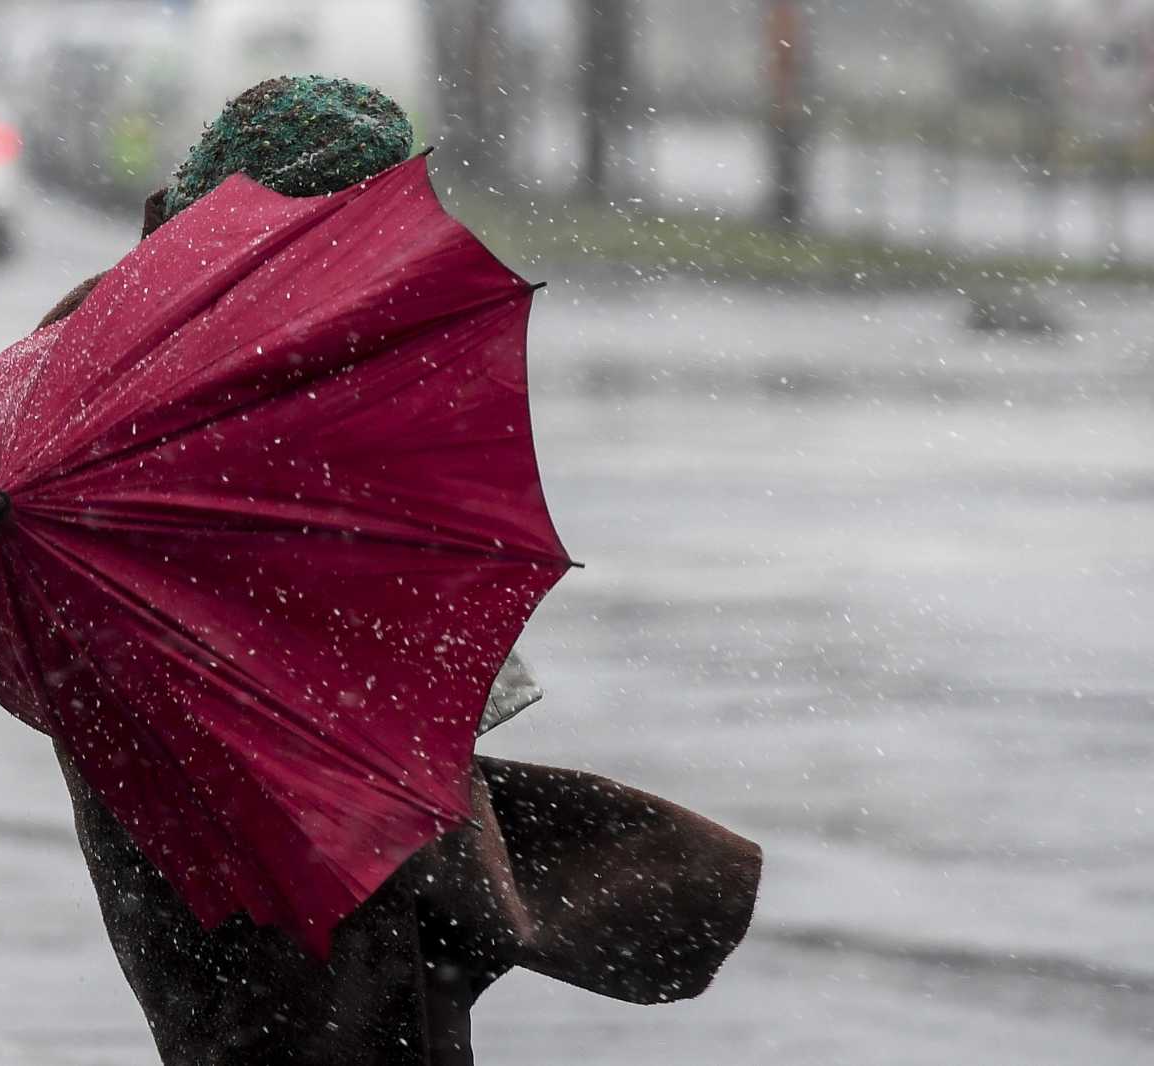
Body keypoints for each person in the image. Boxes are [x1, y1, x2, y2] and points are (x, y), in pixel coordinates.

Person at [39, 76, 762, 1066]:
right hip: (329, 862)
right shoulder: (297, 383)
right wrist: (485, 881)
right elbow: (412, 671)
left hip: (177, 846)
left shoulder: (92, 355)